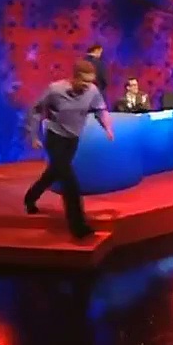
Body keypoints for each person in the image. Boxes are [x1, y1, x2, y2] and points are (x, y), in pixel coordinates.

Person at [24, 60, 114, 239]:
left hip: (72, 139)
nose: (87, 86)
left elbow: (100, 110)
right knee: (70, 181)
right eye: (84, 81)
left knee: (53, 173)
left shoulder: (92, 91)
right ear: (75, 77)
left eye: (90, 82)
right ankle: (78, 227)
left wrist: (108, 128)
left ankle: (30, 197)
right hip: (55, 137)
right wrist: (33, 136)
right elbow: (36, 110)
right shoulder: (55, 90)